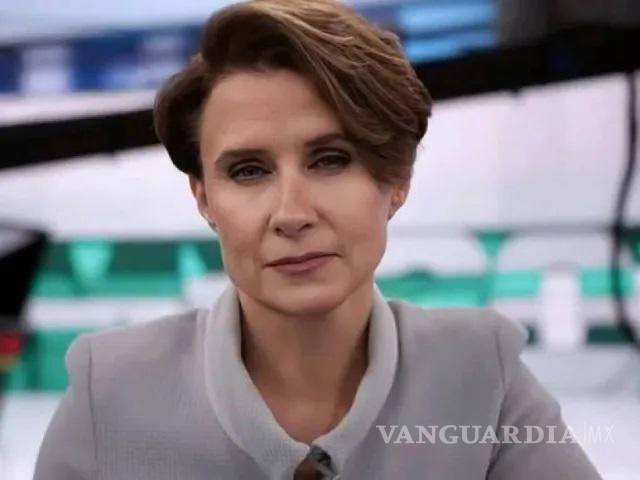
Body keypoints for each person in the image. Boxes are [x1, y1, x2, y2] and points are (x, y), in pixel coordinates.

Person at [33, 1, 603, 479]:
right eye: (248, 171)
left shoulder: (481, 371)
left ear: (396, 179)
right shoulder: (108, 389)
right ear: (204, 197)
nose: (292, 214)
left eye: (330, 160)